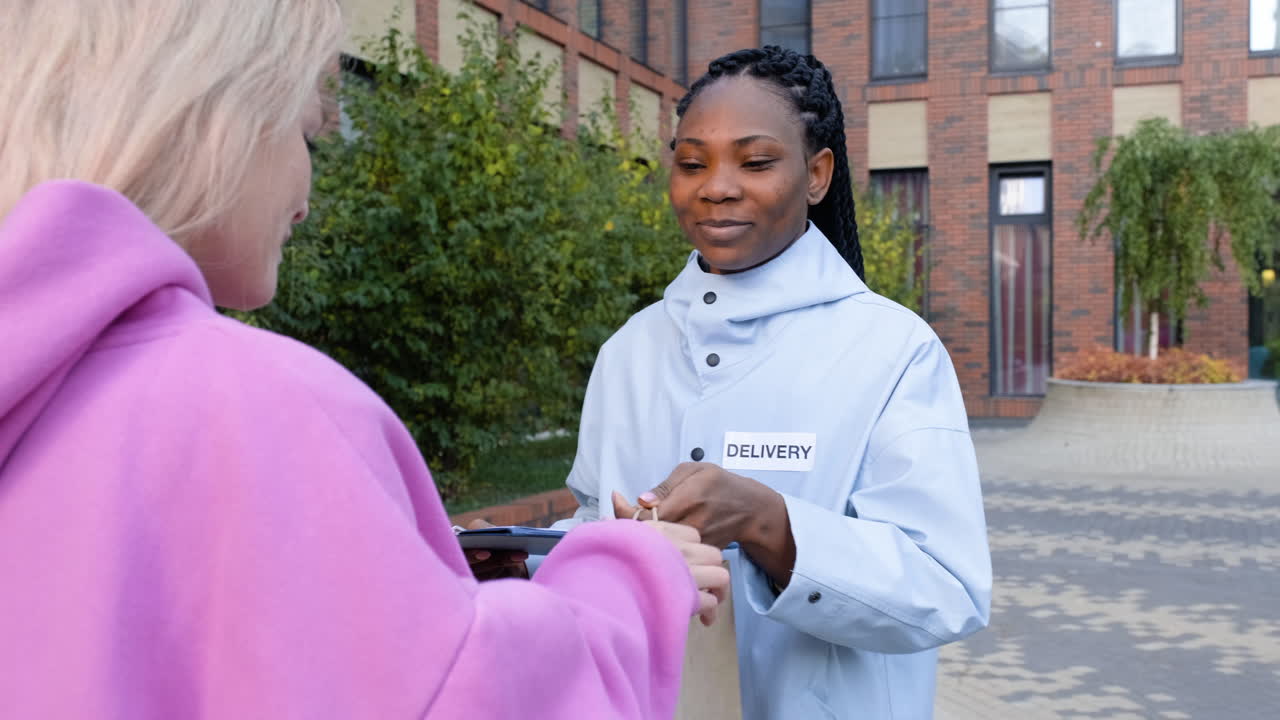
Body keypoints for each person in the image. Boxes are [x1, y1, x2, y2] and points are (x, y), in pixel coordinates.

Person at [0, 2, 730, 718]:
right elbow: (466, 694)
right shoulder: (259, 404)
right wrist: (630, 577)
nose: (307, 194)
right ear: (219, 116)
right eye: (308, 134)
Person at [554, 46, 993, 719]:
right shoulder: (630, 351)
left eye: (755, 162)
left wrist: (770, 524)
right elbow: (593, 525)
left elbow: (946, 589)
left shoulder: (893, 350)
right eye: (692, 162)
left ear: (817, 174)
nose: (717, 186)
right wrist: (531, 563)